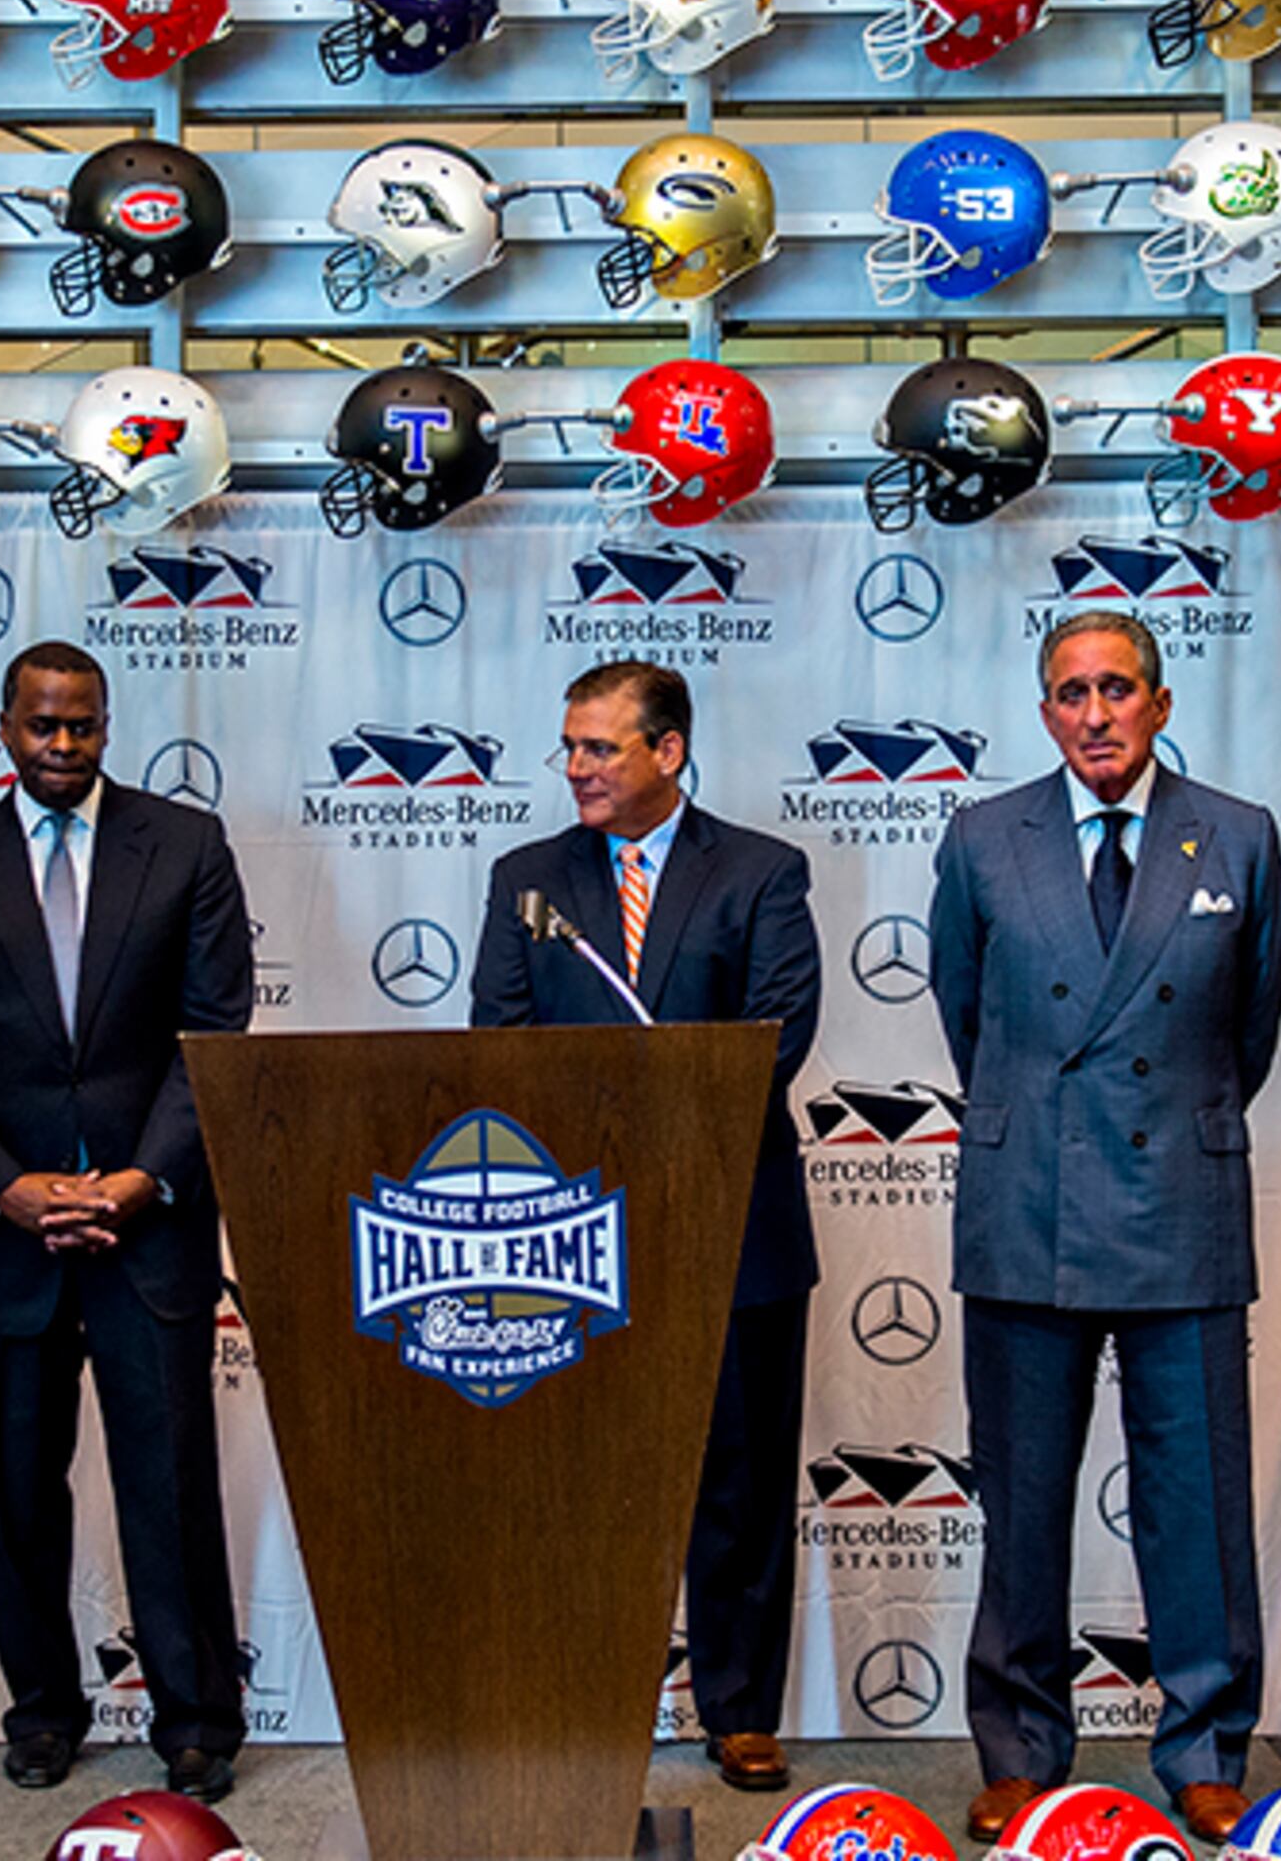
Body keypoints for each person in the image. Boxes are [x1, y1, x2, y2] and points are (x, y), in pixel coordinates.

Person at [931, 609, 1281, 1848]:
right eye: (1070, 692)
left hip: (1181, 1215)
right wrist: (1042, 1120)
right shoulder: (984, 837)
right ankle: (1022, 1749)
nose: (1094, 712)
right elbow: (967, 1016)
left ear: (1159, 701)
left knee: (1194, 1504)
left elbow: (1246, 1035)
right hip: (1024, 1203)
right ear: (1045, 711)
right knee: (1023, 1500)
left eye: (1117, 689)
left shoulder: (1237, 836)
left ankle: (1204, 1747)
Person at [0, 641, 257, 1804]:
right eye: (42, 726)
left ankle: (196, 1720)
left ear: (107, 725)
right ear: (4, 726)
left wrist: (141, 1182)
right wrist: (11, 1186)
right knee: (21, 1490)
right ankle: (42, 1709)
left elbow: (215, 1031)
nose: (62, 746)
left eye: (83, 726)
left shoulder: (186, 845)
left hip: (149, 1230)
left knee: (171, 1483)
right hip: (7, 1237)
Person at [469, 660, 823, 1796]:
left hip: (735, 1224)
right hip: (568, 1237)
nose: (576, 768)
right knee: (583, 1486)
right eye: (568, 747)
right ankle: (583, 1707)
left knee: (739, 1480)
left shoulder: (761, 873)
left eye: (600, 749)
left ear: (666, 751)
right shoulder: (528, 878)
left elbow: (774, 1039)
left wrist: (652, 1133)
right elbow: (501, 1040)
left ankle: (740, 1712)